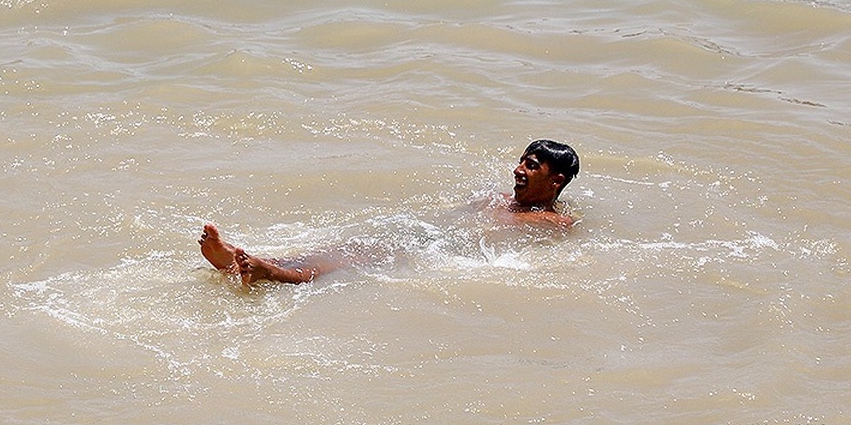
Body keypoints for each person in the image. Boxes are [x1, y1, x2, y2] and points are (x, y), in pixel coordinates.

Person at [199, 139, 580, 286]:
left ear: (556, 180)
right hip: (422, 236)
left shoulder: (554, 222)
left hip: (440, 254)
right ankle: (240, 260)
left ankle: (269, 271)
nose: (518, 169)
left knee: (346, 260)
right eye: (520, 161)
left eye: (531, 166)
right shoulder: (495, 198)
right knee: (341, 248)